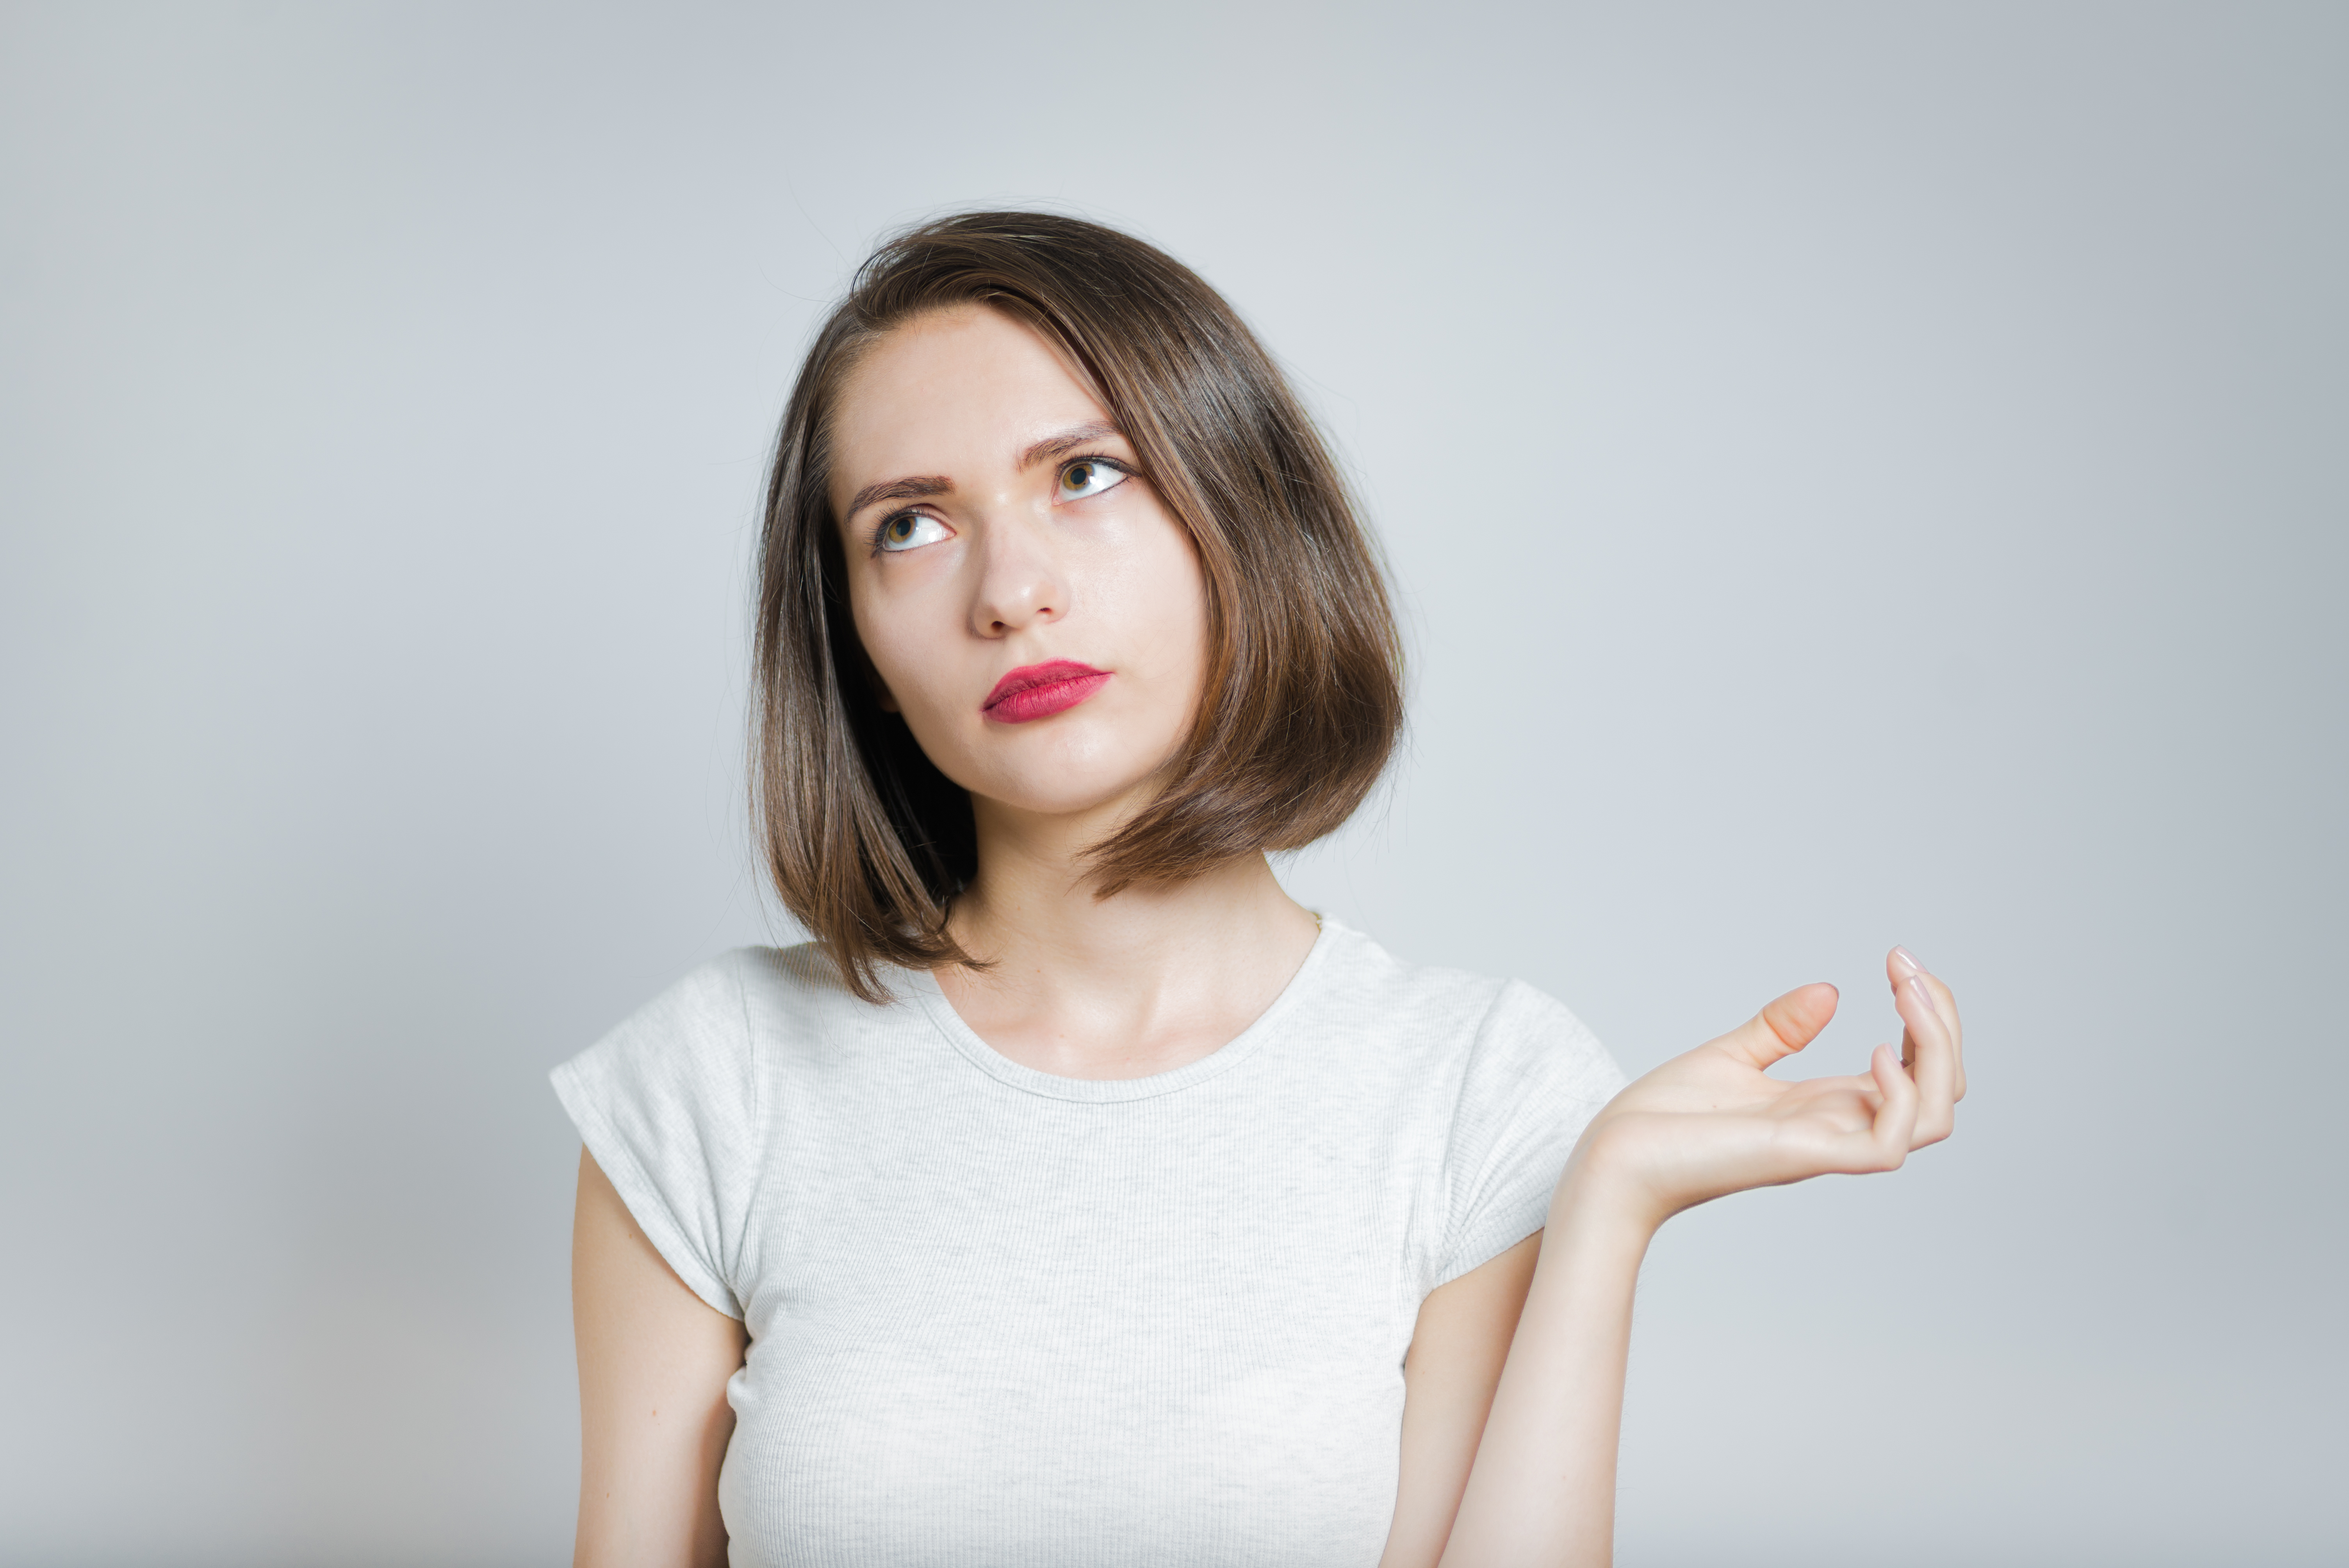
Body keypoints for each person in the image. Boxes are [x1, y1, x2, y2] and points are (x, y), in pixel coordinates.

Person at [552, 211, 1966, 1568]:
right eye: (911, 526)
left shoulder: (1481, 1090)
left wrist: (1610, 1204)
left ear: (1240, 519)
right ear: (858, 644)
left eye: (1085, 476)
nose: (1011, 592)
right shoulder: (709, 1083)